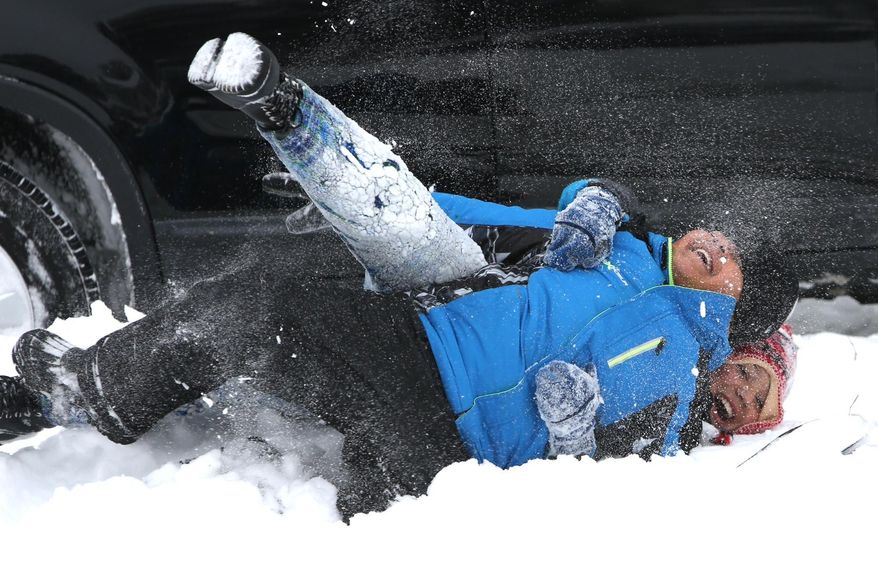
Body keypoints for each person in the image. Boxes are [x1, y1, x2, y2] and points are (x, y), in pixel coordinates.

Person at [0, 33, 799, 519]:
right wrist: (595, 200)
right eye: (722, 236)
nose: (716, 244)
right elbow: (489, 226)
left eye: (730, 262)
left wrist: (573, 437)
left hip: (449, 430)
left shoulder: (673, 388)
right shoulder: (626, 246)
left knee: (267, 322)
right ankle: (85, 395)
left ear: (735, 309)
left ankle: (100, 392)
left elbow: (609, 502)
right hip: (428, 339)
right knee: (268, 321)